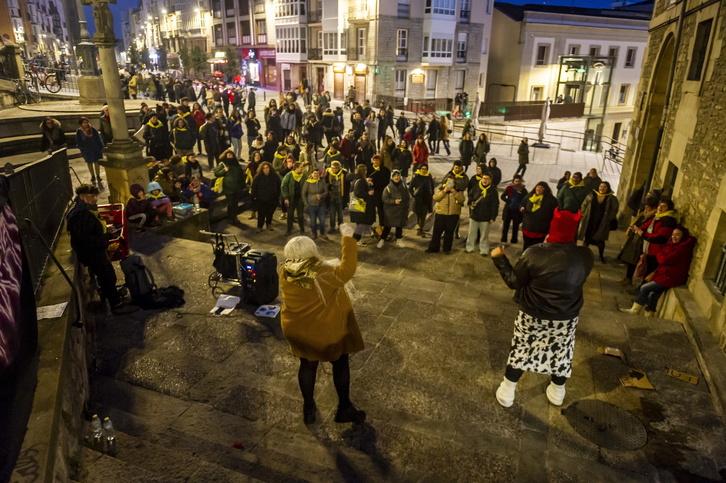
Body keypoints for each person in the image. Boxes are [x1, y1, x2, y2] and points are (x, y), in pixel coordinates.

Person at [492, 208, 594, 408]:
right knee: (561, 350)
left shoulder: (535, 253)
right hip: (566, 315)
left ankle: (507, 391)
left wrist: (500, 258)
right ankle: (557, 392)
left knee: (522, 348)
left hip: (533, 312)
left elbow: (514, 281)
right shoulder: (585, 255)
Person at [279, 223, 366, 425]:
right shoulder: (323, 275)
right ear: (312, 252)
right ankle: (344, 408)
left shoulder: (284, 271)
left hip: (297, 330)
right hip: (323, 332)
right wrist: (347, 238)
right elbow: (348, 269)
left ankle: (308, 407)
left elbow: (311, 275)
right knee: (341, 362)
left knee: (307, 365)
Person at [67, 184, 135, 314]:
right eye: (92, 196)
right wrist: (106, 236)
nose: (96, 199)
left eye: (96, 196)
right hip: (92, 253)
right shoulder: (81, 215)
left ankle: (115, 298)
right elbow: (87, 238)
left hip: (94, 250)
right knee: (107, 277)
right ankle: (117, 305)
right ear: (82, 197)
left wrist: (106, 231)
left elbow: (92, 230)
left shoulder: (84, 210)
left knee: (108, 275)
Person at [622, 226, 695, 316]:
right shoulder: (672, 244)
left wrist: (661, 256)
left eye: (677, 235)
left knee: (645, 288)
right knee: (653, 293)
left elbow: (664, 259)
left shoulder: (682, 248)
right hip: (664, 274)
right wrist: (661, 255)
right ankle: (649, 314)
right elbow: (660, 253)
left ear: (683, 236)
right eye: (673, 234)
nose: (674, 237)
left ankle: (635, 310)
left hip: (670, 277)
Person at [631, 199, 679, 277]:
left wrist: (643, 234)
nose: (660, 208)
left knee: (650, 273)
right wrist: (637, 229)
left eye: (664, 206)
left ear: (669, 208)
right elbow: (645, 227)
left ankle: (643, 288)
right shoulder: (657, 217)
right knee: (646, 271)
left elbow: (661, 238)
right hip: (649, 250)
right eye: (659, 205)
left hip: (657, 252)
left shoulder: (668, 220)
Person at [617, 199, 657, 287]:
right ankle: (628, 278)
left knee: (637, 262)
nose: (646, 209)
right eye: (646, 207)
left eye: (648, 208)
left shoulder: (652, 217)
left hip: (641, 242)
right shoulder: (643, 215)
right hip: (635, 239)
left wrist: (638, 230)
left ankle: (637, 282)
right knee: (630, 260)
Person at [426, 170, 465, 254]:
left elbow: (462, 199)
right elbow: (436, 197)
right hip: (441, 213)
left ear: (455, 184)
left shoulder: (458, 191)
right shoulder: (441, 189)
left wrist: (455, 193)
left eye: (452, 182)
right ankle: (434, 248)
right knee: (437, 232)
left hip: (453, 214)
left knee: (449, 233)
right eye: (448, 182)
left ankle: (447, 249)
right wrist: (444, 191)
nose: (450, 184)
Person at [578, 181, 619, 263]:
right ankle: (582, 255)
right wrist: (583, 213)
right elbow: (584, 205)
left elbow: (614, 209)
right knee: (587, 238)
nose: (602, 188)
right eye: (601, 186)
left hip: (602, 222)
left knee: (600, 240)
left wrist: (609, 218)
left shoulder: (611, 198)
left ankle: (601, 255)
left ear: (608, 188)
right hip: (590, 220)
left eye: (604, 187)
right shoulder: (591, 195)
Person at [466, 173, 499, 256]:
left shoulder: (493, 191)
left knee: (484, 235)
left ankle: (483, 249)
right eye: (483, 178)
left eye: (487, 178)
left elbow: (495, 205)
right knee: (471, 233)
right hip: (474, 215)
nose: (485, 180)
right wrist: (471, 201)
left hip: (486, 216)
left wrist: (493, 217)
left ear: (490, 180)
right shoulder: (476, 187)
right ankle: (469, 247)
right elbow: (470, 196)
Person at [377, 170, 410, 249]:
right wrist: (394, 201)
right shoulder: (388, 188)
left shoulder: (404, 187)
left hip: (401, 210)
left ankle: (399, 239)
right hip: (390, 211)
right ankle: (382, 239)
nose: (396, 177)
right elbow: (384, 199)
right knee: (387, 227)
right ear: (392, 177)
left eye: (398, 175)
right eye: (394, 176)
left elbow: (407, 198)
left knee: (399, 226)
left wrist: (406, 207)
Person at [520, 182, 558, 250]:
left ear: (545, 189)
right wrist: (521, 207)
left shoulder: (551, 200)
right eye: (538, 187)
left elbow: (555, 213)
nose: (539, 189)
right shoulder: (529, 196)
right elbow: (522, 203)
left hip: (540, 229)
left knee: (536, 247)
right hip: (528, 226)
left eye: (541, 188)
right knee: (526, 245)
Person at [214, 149, 245, 227]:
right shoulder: (223, 163)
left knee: (235, 204)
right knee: (230, 204)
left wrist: (242, 184)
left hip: (237, 187)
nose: (230, 156)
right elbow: (217, 173)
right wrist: (224, 170)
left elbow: (241, 174)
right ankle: (230, 218)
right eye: (228, 155)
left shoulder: (236, 163)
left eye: (231, 155)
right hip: (228, 188)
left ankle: (235, 217)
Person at [349, 164, 376, 246]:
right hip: (360, 206)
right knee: (361, 223)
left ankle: (359, 238)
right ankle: (355, 240)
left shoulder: (357, 179)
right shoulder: (360, 181)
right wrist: (368, 193)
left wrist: (366, 182)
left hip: (358, 205)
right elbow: (358, 193)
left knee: (360, 223)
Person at [251, 161, 281, 232]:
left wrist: (277, 195)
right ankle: (259, 226)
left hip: (272, 198)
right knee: (261, 213)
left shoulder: (274, 176)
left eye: (267, 168)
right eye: (264, 168)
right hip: (261, 199)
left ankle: (269, 224)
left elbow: (279, 186)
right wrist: (254, 196)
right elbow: (254, 187)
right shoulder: (258, 177)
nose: (266, 169)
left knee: (270, 213)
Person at [75, 116, 105, 187]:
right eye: (84, 122)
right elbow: (79, 141)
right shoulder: (79, 131)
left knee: (96, 161)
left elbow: (98, 137)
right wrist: (81, 148)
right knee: (89, 162)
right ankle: (92, 175)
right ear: (81, 123)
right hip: (87, 149)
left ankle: (98, 175)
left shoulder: (93, 129)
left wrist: (101, 146)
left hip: (95, 147)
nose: (85, 124)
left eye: (86, 122)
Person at [281, 161, 308, 235]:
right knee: (290, 215)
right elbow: (284, 186)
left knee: (300, 215)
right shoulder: (289, 175)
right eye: (301, 167)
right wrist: (286, 197)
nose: (302, 169)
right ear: (296, 168)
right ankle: (289, 230)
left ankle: (302, 229)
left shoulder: (304, 176)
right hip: (291, 199)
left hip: (300, 199)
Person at [302, 169, 329, 240]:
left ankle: (322, 233)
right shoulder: (307, 182)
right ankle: (314, 233)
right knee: (312, 222)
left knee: (322, 221)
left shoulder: (322, 182)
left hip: (321, 205)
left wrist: (321, 195)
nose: (316, 175)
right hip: (311, 205)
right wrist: (306, 204)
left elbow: (326, 192)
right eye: (314, 173)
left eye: (317, 173)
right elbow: (303, 193)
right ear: (311, 174)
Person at [500, 175, 528, 244]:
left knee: (516, 226)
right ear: (513, 181)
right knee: (506, 225)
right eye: (516, 181)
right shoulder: (509, 188)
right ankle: (504, 239)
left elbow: (525, 200)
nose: (517, 183)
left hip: (517, 211)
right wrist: (508, 201)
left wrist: (521, 205)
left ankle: (514, 240)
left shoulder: (523, 190)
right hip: (508, 209)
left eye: (518, 181)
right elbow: (502, 196)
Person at [324, 161, 350, 234]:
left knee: (340, 214)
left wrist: (346, 199)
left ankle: (340, 227)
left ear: (338, 168)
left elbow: (347, 186)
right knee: (332, 214)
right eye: (332, 168)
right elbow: (325, 184)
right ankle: (332, 227)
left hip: (340, 197)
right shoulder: (328, 174)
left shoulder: (343, 174)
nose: (333, 169)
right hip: (332, 197)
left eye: (335, 168)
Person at [409, 164, 435, 237]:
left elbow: (432, 187)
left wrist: (431, 194)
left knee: (423, 214)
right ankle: (420, 226)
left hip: (426, 200)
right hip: (418, 199)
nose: (424, 170)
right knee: (418, 214)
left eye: (425, 169)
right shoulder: (416, 177)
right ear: (420, 169)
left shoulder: (429, 177)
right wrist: (414, 195)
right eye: (422, 169)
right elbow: (410, 188)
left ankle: (420, 228)